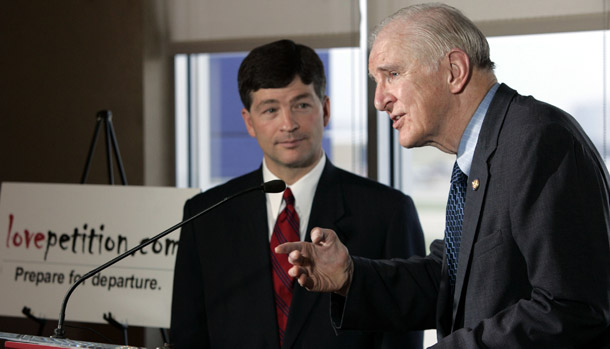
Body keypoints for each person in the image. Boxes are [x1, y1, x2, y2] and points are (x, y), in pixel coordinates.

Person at [276, 3, 610, 348]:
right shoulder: (479, 152)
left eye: (392, 75)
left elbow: (570, 308)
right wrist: (350, 276)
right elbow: (450, 279)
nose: (379, 100)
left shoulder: (537, 141)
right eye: (377, 81)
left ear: (454, 70)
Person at [170, 39, 426, 348]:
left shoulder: (389, 212)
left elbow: (402, 335)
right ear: (249, 122)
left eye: (301, 105)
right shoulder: (205, 214)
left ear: (326, 110)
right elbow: (188, 337)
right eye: (270, 110)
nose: (288, 124)